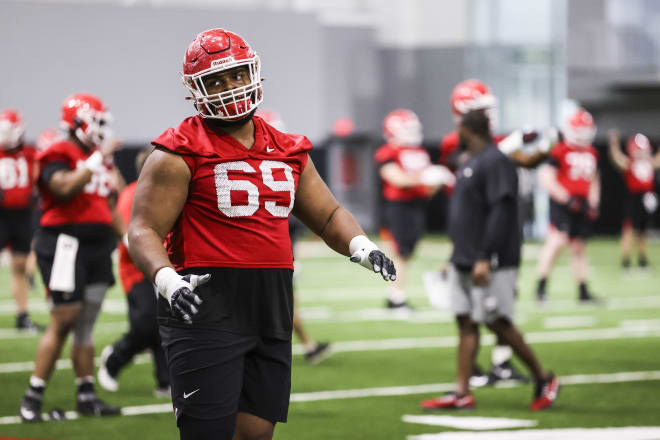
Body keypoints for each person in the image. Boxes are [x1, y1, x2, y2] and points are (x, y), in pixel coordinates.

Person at [127, 28, 396, 440]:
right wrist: (167, 280)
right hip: (205, 300)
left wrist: (362, 245)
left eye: (235, 74)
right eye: (215, 80)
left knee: (256, 433)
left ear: (253, 73)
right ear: (196, 90)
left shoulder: (288, 148)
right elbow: (142, 228)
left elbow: (327, 215)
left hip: (271, 301)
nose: (229, 86)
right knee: (207, 433)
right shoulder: (177, 151)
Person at [420, 109, 559, 411]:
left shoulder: (496, 161)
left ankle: (543, 378)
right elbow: (467, 215)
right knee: (465, 321)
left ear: (467, 129)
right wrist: (455, 254)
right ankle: (462, 392)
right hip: (465, 257)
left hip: (491, 258)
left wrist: (485, 256)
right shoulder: (470, 162)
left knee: (498, 322)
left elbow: (501, 211)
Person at [19, 93, 123, 422]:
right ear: (80, 121)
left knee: (87, 325)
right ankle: (32, 398)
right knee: (64, 321)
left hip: (97, 246)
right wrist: (94, 163)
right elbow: (62, 188)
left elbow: (110, 203)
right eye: (98, 121)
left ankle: (86, 395)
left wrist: (131, 243)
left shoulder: (98, 156)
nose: (102, 129)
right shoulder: (58, 151)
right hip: (65, 245)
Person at [256, 109, 332, 364]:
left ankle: (308, 346)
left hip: (275, 248)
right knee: (282, 304)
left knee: (283, 304)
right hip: (265, 256)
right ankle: (305, 347)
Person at [97, 147, 170, 396]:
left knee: (166, 322)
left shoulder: (167, 193)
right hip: (137, 269)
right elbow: (132, 239)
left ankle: (165, 380)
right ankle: (114, 358)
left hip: (163, 266)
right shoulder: (133, 194)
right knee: (146, 324)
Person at [375, 109, 454, 312]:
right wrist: (424, 177)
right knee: (401, 252)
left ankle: (397, 295)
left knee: (408, 252)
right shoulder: (389, 151)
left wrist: (438, 180)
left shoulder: (420, 152)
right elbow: (395, 177)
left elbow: (427, 190)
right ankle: (396, 297)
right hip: (399, 207)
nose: (412, 132)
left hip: (418, 206)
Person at [536, 107, 601, 303]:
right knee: (557, 242)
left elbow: (594, 180)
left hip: (581, 203)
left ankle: (583, 291)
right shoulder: (560, 149)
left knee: (579, 247)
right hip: (563, 203)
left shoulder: (592, 152)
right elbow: (546, 177)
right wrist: (566, 198)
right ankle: (541, 287)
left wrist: (593, 203)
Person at [0, 109, 43, 331]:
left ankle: (22, 315)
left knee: (19, 265)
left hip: (22, 215)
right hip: (2, 214)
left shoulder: (29, 153)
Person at [608, 130, 660, 268]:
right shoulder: (630, 163)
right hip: (633, 199)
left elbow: (658, 160)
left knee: (643, 231)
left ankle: (642, 258)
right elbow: (616, 158)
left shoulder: (649, 163)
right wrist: (614, 144)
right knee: (629, 230)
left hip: (647, 199)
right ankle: (626, 259)